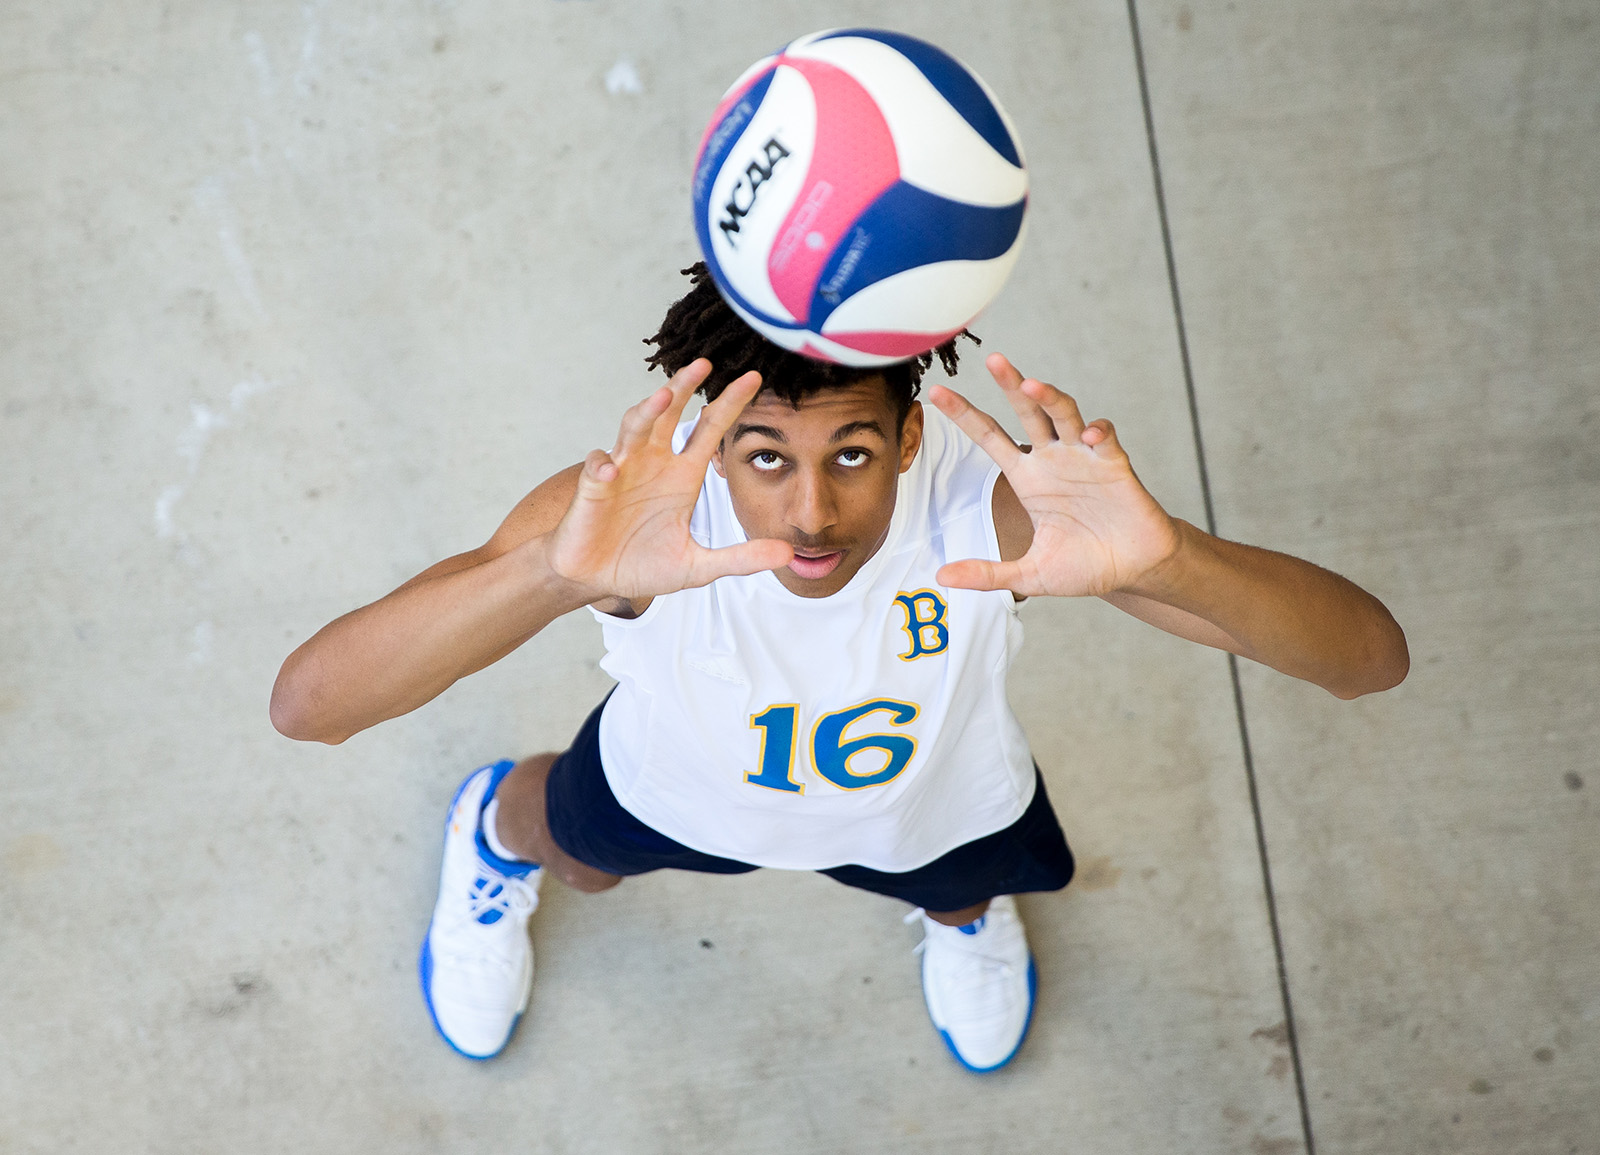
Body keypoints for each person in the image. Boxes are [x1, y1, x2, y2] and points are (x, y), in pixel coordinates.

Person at [270, 264, 1409, 1071]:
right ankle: (491, 830)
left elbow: (1367, 663)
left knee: (962, 886)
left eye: (852, 455)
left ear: (910, 440)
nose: (810, 512)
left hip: (931, 811)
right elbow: (311, 708)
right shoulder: (623, 522)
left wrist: (1168, 557)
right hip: (671, 789)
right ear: (715, 445)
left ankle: (960, 920)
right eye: (765, 458)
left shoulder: (985, 511)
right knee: (574, 856)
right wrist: (557, 578)